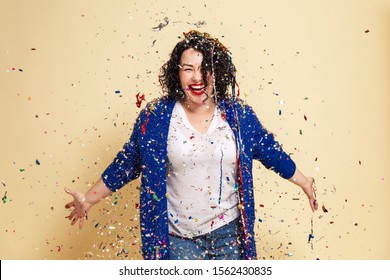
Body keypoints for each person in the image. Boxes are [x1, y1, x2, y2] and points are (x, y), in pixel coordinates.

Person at [64, 30, 318, 260]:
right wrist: (87, 200)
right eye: (188, 69)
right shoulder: (157, 117)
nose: (197, 78)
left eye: (204, 68)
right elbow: (128, 162)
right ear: (177, 73)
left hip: (228, 236)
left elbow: (270, 151)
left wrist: (304, 181)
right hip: (177, 239)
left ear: (217, 72)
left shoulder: (239, 116)